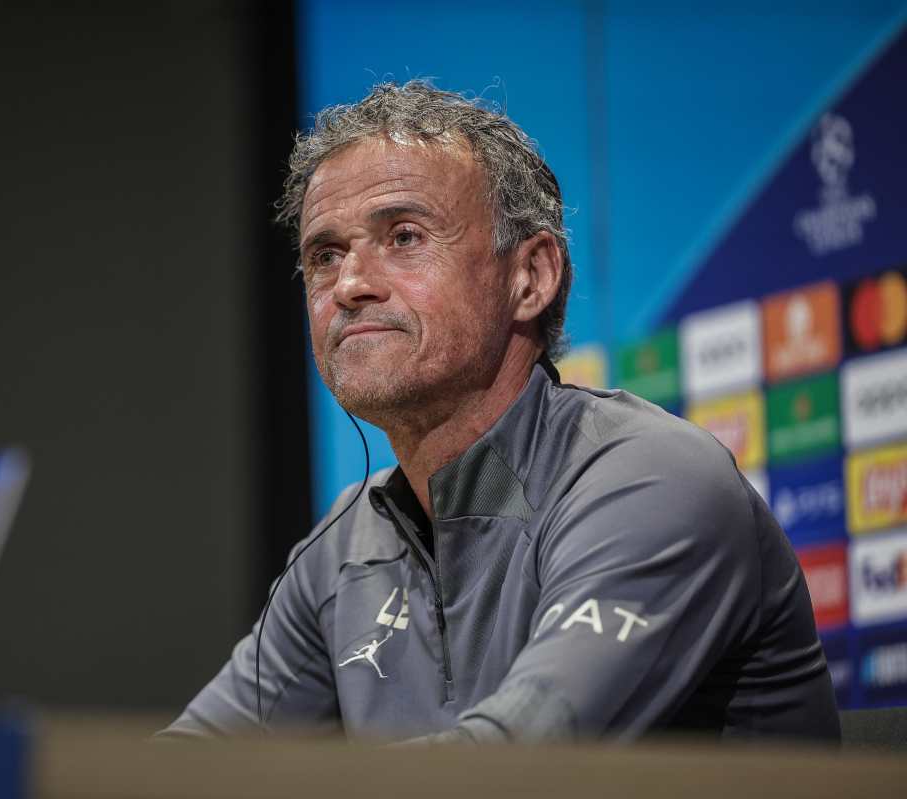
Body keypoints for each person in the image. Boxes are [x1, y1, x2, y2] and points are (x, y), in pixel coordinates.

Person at [158, 81, 840, 744]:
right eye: (325, 256)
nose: (350, 284)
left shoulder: (652, 479)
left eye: (404, 237)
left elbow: (521, 762)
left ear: (530, 276)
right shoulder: (342, 546)